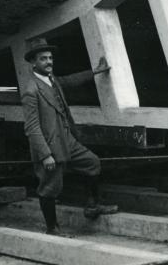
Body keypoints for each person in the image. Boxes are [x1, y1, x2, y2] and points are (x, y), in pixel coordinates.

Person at [21, 36, 118, 235]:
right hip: (50, 146)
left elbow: (71, 80)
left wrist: (96, 71)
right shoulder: (31, 90)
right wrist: (45, 154)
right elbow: (31, 127)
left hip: (67, 140)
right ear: (33, 62)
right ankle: (52, 228)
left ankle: (92, 205)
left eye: (50, 58)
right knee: (50, 187)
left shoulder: (52, 79)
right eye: (43, 59)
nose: (48, 62)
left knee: (92, 163)